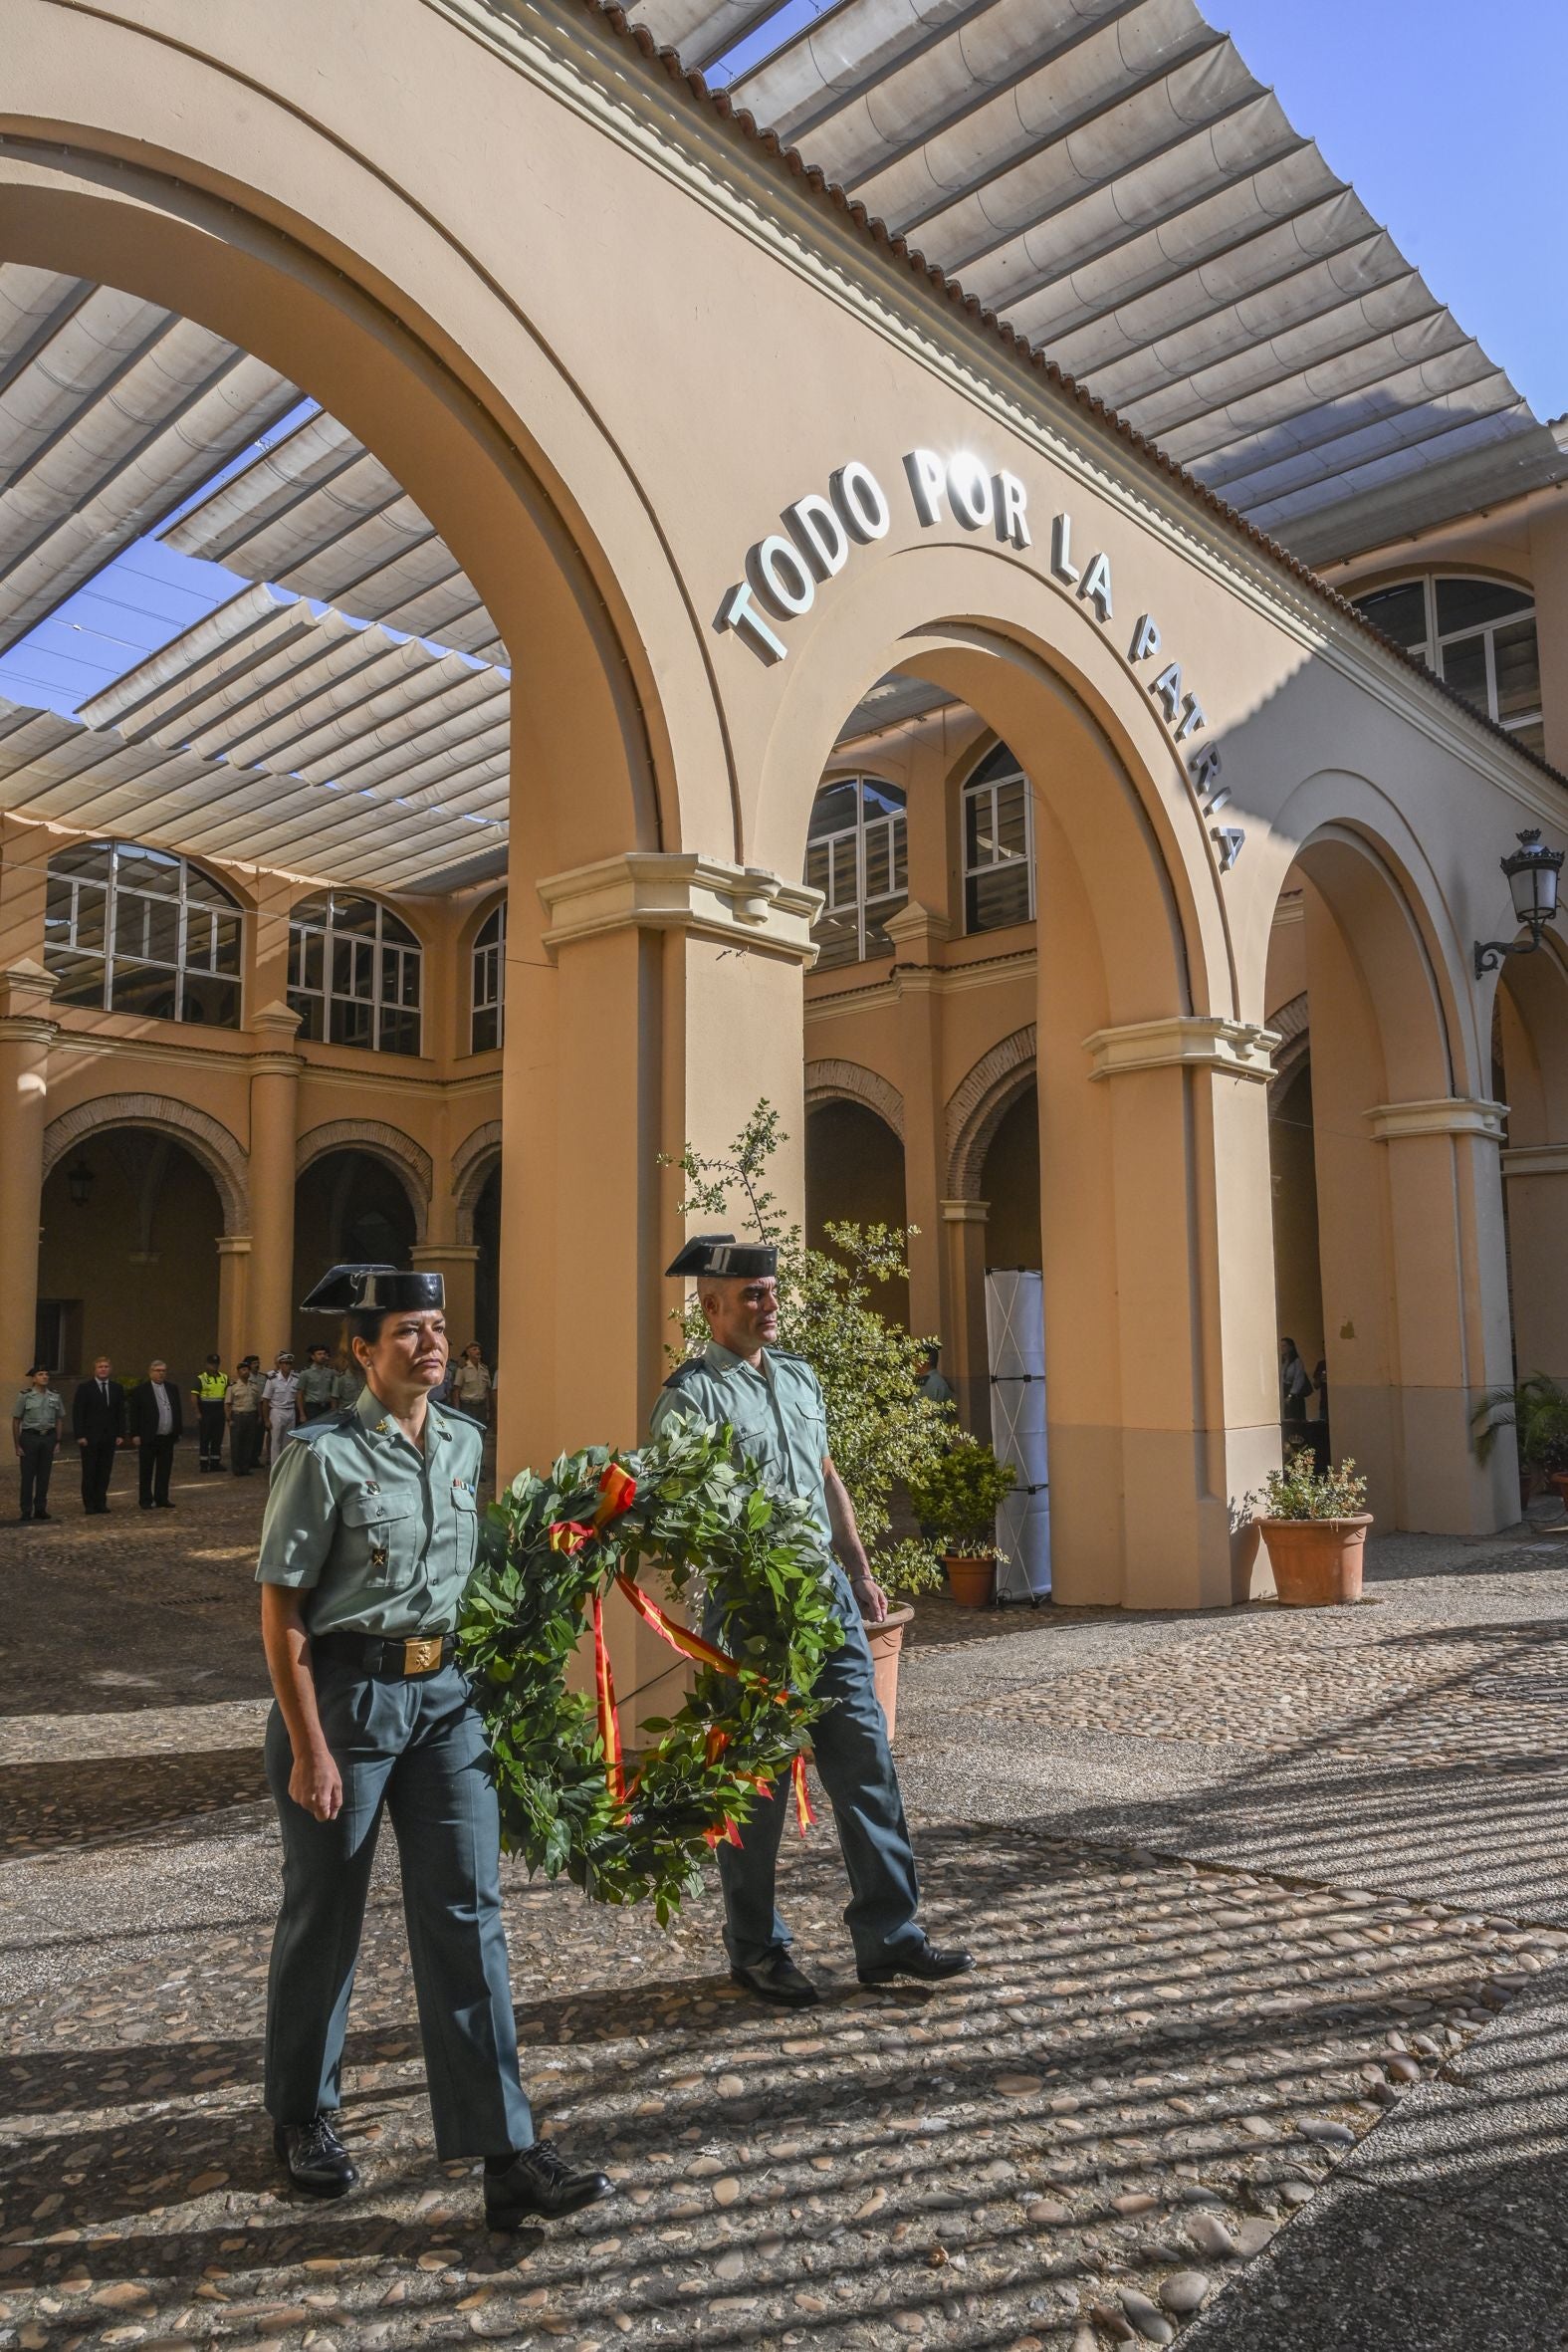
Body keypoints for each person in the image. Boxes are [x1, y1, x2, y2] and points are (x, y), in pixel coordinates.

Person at [255, 1262, 612, 2227]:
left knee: (468, 1910)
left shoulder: (464, 1442)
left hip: (446, 1699)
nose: (431, 1343)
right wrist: (309, 1744)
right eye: (408, 1331)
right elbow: (282, 1609)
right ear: (363, 1351)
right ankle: (301, 2112)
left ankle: (506, 2152)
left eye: (437, 1327)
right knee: (325, 1909)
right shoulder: (322, 1456)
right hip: (349, 1699)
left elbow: (474, 1579)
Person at [652, 1233, 974, 2008]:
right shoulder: (690, 1395)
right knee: (756, 1783)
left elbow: (828, 1477)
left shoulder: (798, 1378)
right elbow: (679, 1508)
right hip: (751, 1609)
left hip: (823, 1596)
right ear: (712, 1305)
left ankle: (889, 1939)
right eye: (754, 1295)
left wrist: (858, 1566)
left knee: (865, 1760)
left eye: (772, 1292)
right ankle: (757, 1948)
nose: (769, 1306)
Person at [72, 1355, 126, 1514]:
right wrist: (80, 1435)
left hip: (109, 1437)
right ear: (94, 1370)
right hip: (90, 1437)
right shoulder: (85, 1388)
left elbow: (120, 1412)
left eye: (106, 1367)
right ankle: (89, 1504)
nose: (103, 1369)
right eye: (100, 1367)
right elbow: (78, 1412)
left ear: (110, 1369)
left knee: (104, 1471)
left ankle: (101, 1502)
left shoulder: (117, 1388)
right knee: (89, 1471)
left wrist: (120, 1433)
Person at [13, 1364, 65, 1523]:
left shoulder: (55, 1396)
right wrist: (17, 1445)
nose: (45, 1377)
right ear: (34, 1378)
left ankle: (40, 1508)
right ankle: (26, 1509)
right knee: (28, 1476)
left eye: (46, 1374)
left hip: (48, 1437)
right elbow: (16, 1421)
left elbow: (59, 1419)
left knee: (44, 1475)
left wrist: (57, 1440)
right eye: (41, 1374)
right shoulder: (25, 1396)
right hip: (30, 1437)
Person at [128, 1359, 183, 1510]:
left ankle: (162, 1497)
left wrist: (177, 1430)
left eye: (163, 1371)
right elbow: (135, 1414)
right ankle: (145, 1499)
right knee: (146, 1469)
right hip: (148, 1436)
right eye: (158, 1370)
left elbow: (177, 1410)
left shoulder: (172, 1388)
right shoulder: (141, 1390)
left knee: (165, 1469)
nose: (161, 1373)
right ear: (150, 1372)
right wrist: (135, 1434)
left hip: (167, 1436)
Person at [262, 1352, 301, 1470]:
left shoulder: (295, 1379)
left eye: (290, 1363)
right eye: (285, 1363)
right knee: (276, 1442)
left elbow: (298, 1397)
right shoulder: (272, 1379)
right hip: (277, 1411)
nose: (288, 1366)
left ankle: (286, 1468)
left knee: (288, 1442)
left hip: (290, 1411)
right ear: (280, 1364)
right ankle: (276, 1468)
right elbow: (265, 1400)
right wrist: (266, 1419)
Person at [228, 1358, 264, 1476]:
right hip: (238, 1416)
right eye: (243, 1370)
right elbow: (228, 1404)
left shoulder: (254, 1386)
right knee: (237, 1443)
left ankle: (245, 1467)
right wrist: (229, 1419)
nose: (246, 1372)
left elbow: (258, 1402)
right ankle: (236, 1468)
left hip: (251, 1415)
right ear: (238, 1372)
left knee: (249, 1443)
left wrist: (259, 1416)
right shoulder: (233, 1386)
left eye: (247, 1370)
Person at [193, 1355, 229, 1471]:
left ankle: (215, 1463)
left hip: (219, 1410)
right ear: (207, 1364)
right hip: (206, 1410)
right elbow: (194, 1396)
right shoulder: (201, 1378)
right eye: (212, 1364)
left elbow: (228, 1396)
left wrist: (227, 1412)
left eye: (216, 1364)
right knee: (205, 1437)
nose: (214, 1366)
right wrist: (197, 1412)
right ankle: (203, 1463)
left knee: (217, 1437)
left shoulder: (224, 1377)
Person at [451, 1341, 493, 1425]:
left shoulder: (484, 1369)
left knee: (481, 1432)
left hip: (481, 1407)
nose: (478, 1351)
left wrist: (488, 1410)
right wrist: (457, 1411)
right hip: (467, 1406)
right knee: (468, 1432)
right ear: (468, 1352)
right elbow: (456, 1391)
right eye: (474, 1349)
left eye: (479, 1349)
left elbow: (487, 1391)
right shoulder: (463, 1369)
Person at [297, 1344, 338, 1424]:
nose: (322, 1356)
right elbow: (299, 1395)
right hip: (312, 1408)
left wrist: (333, 1409)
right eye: (319, 1354)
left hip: (327, 1407)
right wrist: (302, 1414)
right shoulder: (306, 1373)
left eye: (324, 1354)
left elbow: (333, 1393)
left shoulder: (331, 1372)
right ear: (313, 1357)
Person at [1280, 1338, 1313, 1427]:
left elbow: (1299, 1379)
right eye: (1281, 1346)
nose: (1282, 1348)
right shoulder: (1282, 1362)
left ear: (1290, 1347)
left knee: (1295, 1420)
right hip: (1284, 1390)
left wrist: (1291, 1395)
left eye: (1284, 1346)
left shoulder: (1297, 1361)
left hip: (1294, 1395)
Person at [916, 1344, 955, 1410]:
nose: (913, 1362)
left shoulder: (928, 1383)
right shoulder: (938, 1380)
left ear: (924, 1361)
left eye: (916, 1359)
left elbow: (924, 1415)